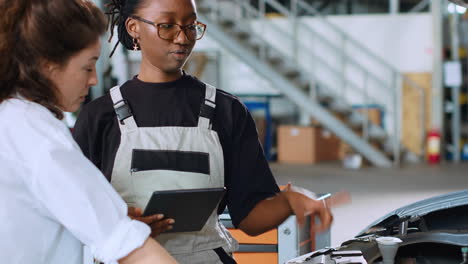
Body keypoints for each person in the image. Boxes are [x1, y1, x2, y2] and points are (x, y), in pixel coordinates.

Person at [72, 0, 333, 263]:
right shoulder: (100, 117)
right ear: (133, 27)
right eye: (167, 26)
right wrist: (117, 224)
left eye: (191, 26)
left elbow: (250, 218)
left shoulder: (226, 111)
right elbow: (72, 212)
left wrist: (288, 201)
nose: (182, 38)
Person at [0, 0, 177, 263]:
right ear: (49, 64)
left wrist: (103, 213)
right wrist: (116, 226)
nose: (93, 79)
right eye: (87, 65)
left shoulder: (10, 116)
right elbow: (131, 249)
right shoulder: (34, 130)